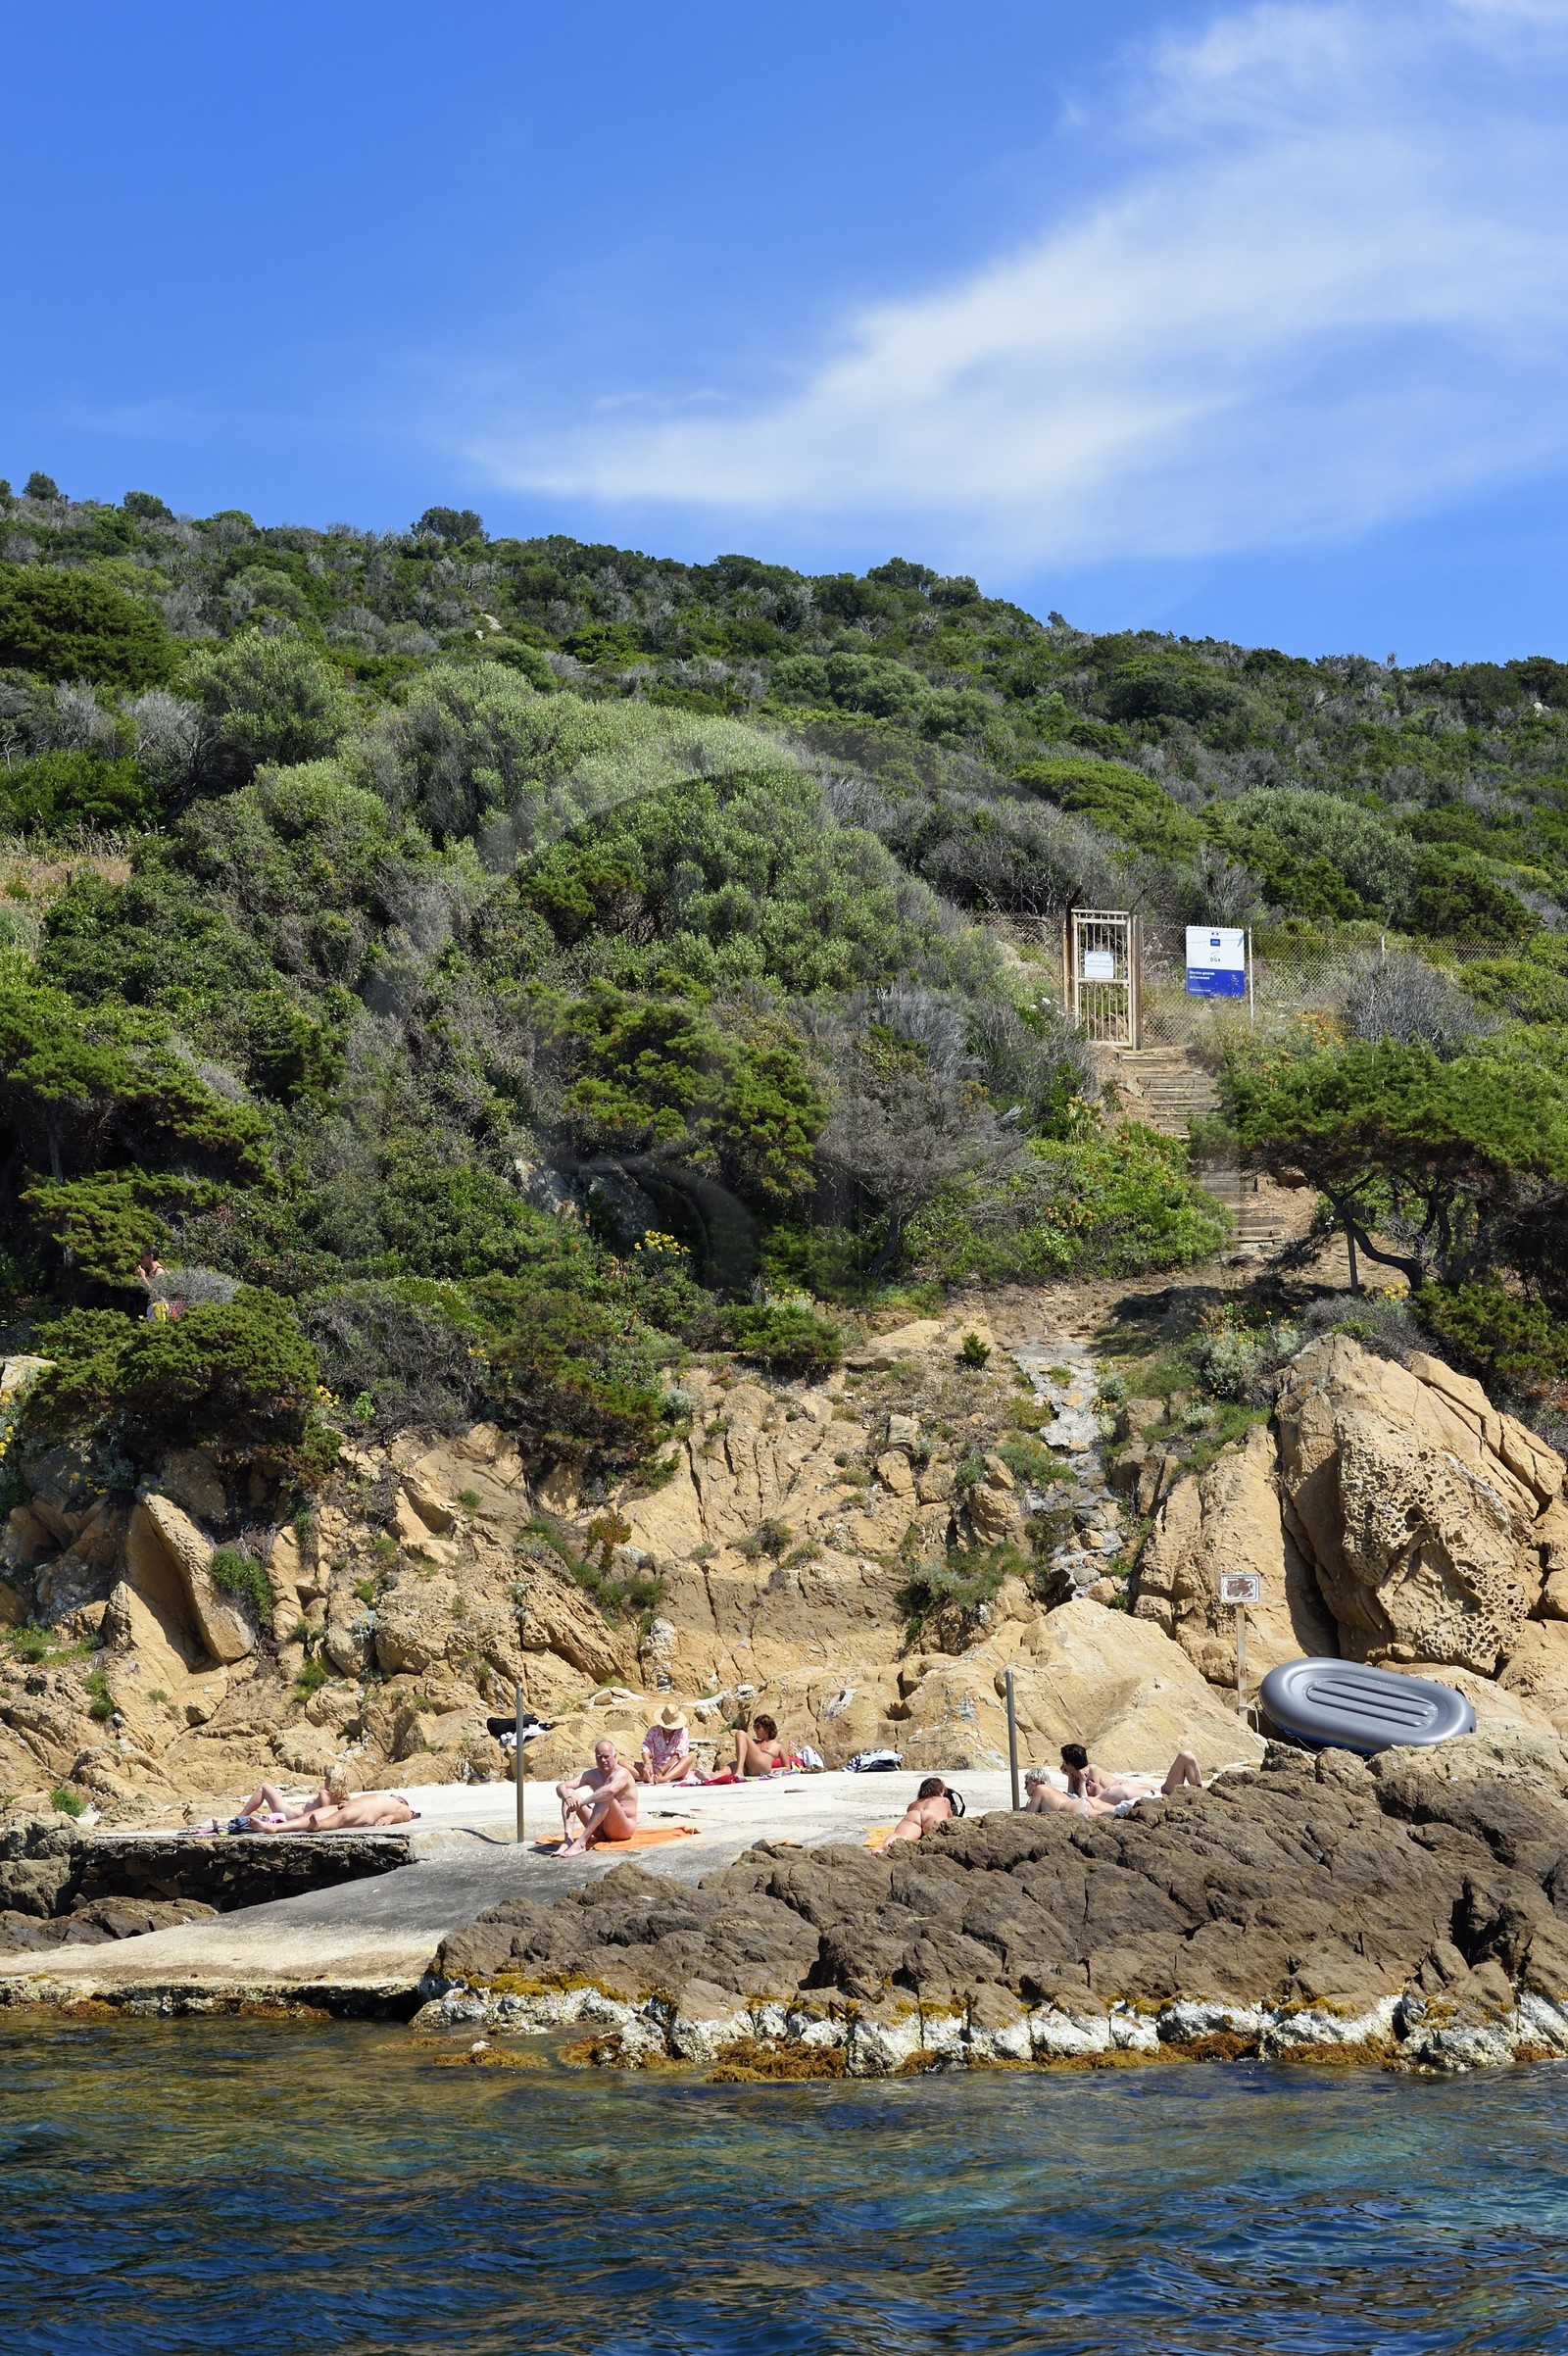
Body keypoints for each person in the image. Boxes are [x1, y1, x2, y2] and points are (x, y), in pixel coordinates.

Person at [554, 1739, 639, 1855]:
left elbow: (609, 1791)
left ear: (614, 1756)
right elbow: (561, 1786)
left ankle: (581, 1843)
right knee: (569, 1792)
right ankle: (568, 1840)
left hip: (622, 1829)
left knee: (604, 1795)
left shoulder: (622, 1773)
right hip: (600, 1828)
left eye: (606, 1757)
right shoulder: (592, 1774)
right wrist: (568, 1798)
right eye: (599, 1757)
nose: (603, 1760)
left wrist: (582, 1804)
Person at [1060, 1742, 1202, 1805]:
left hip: (1149, 1791)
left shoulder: (1091, 1770)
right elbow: (1072, 1797)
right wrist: (1069, 1776)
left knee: (1186, 1756)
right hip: (1144, 1794)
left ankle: (1200, 1794)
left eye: (1065, 1762)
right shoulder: (1077, 1777)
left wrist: (1080, 1781)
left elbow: (1091, 1799)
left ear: (1071, 1764)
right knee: (1185, 1756)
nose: (1063, 1765)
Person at [706, 1712, 786, 1782]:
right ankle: (711, 1776)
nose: (755, 1730)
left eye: (758, 1727)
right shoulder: (754, 1742)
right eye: (754, 1727)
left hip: (763, 1767)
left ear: (767, 1728)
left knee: (740, 1733)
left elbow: (787, 1767)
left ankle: (739, 1771)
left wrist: (774, 1769)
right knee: (728, 1768)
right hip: (749, 1768)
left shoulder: (778, 1744)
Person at [883, 1776, 962, 1844]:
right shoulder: (944, 1800)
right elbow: (951, 1821)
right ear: (941, 1791)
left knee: (899, 1836)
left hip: (913, 1816)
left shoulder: (913, 1804)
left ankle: (882, 1848)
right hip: (932, 1817)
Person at [635, 1704, 696, 1785]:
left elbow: (677, 1756)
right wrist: (648, 1763)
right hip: (655, 1766)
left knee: (688, 1759)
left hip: (673, 1767)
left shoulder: (682, 1732)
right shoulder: (654, 1731)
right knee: (622, 1763)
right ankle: (649, 1777)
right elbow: (646, 1747)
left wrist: (661, 1771)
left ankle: (664, 1778)